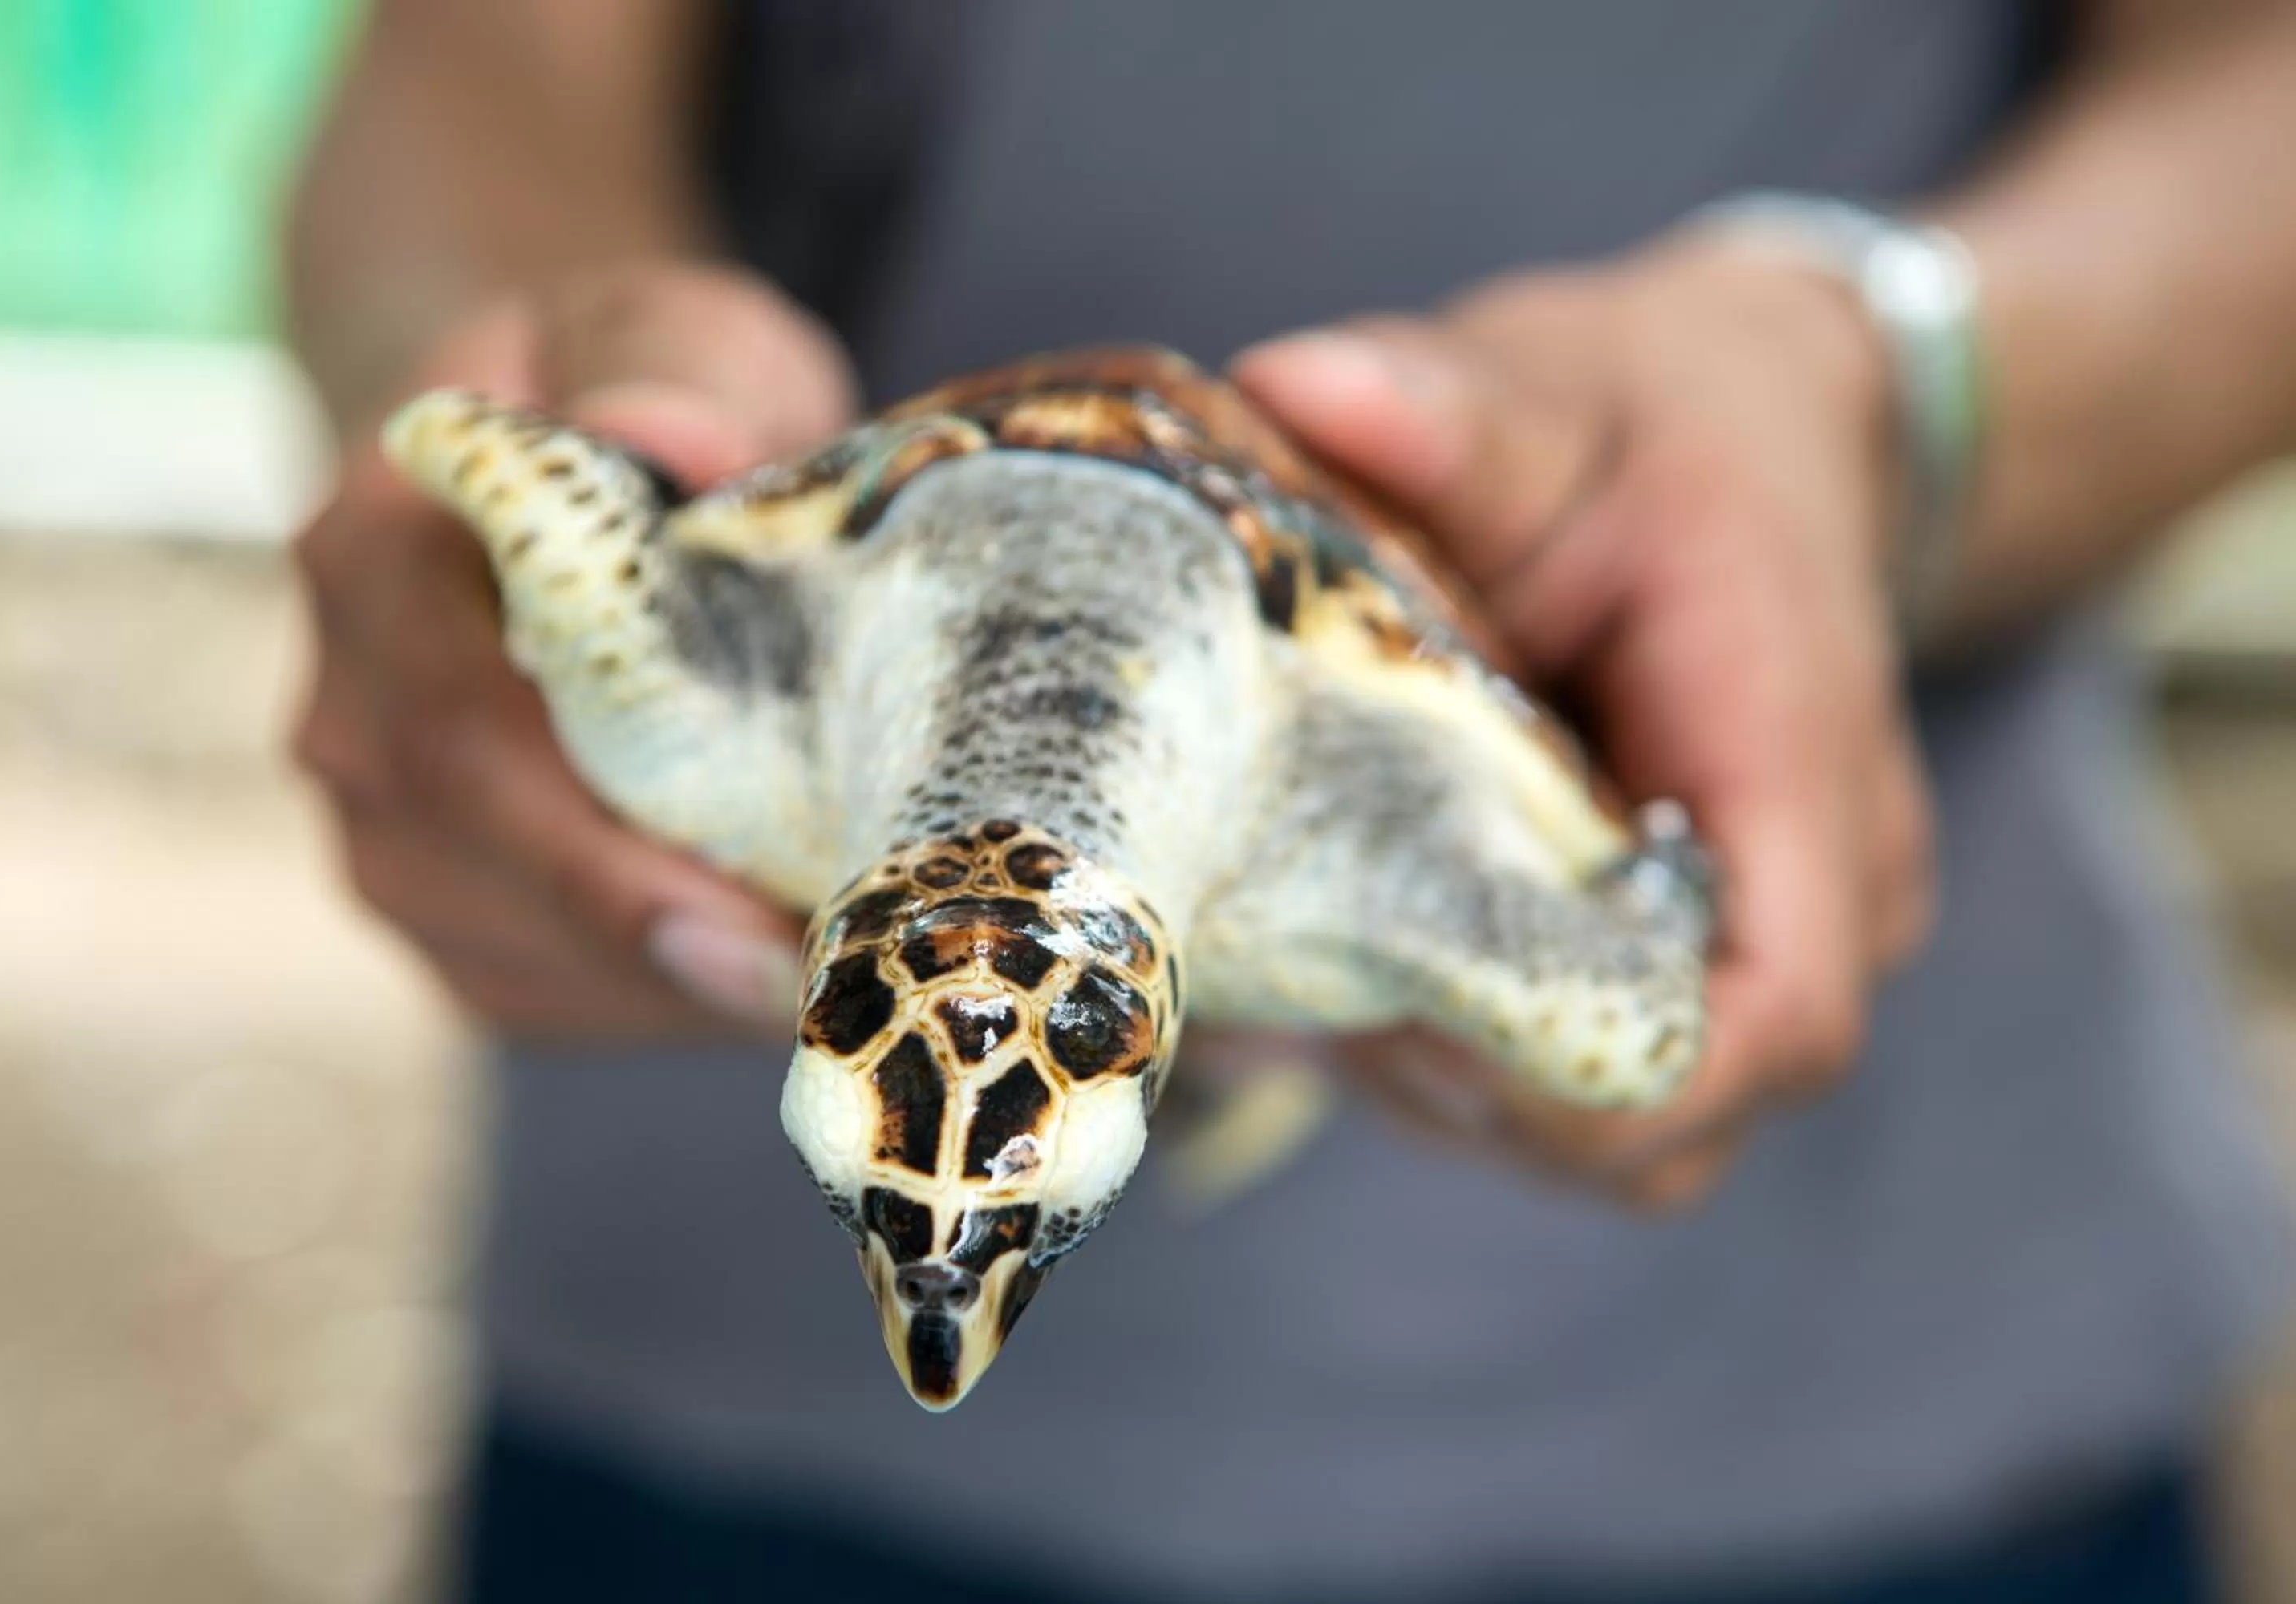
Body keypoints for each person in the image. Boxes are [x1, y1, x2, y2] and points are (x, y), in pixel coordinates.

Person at [284, 2, 2296, 1599]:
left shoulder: (726, 705)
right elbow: (471, 88)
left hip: (1882, 1403)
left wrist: (1879, 384)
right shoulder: (751, 696)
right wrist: (518, 355)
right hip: (693, 1393)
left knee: (1619, 1022)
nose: (952, 1263)